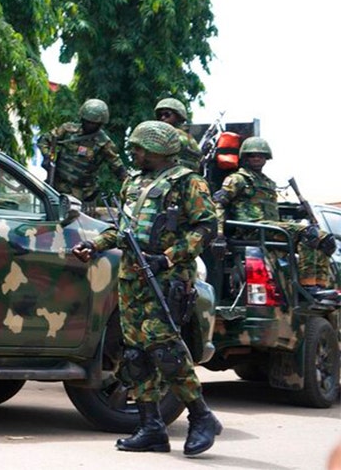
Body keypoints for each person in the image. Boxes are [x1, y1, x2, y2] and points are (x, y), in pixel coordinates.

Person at [71, 120, 222, 457]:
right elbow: (123, 230)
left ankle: (202, 417)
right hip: (131, 279)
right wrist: (94, 245)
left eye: (138, 148)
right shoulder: (134, 184)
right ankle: (151, 427)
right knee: (136, 355)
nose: (134, 153)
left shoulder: (188, 183)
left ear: (157, 149)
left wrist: (168, 259)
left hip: (166, 280)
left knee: (165, 350)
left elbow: (206, 228)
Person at [212, 137, 337, 298]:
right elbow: (218, 204)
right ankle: (307, 287)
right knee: (308, 233)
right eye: (252, 155)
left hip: (270, 227)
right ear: (245, 157)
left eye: (261, 155)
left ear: (266, 158)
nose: (257, 158)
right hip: (251, 229)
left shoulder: (268, 183)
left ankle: (318, 286)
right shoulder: (237, 179)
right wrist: (219, 235)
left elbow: (270, 210)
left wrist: (298, 213)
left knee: (324, 240)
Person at [38, 98, 127, 203]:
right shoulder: (67, 130)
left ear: (100, 123)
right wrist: (47, 156)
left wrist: (128, 184)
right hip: (56, 186)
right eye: (88, 122)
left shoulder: (103, 143)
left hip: (82, 194)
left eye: (94, 123)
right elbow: (44, 140)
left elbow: (117, 165)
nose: (90, 125)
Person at [153, 97, 202, 171]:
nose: (162, 118)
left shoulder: (172, 134)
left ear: (178, 116)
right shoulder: (188, 137)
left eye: (167, 114)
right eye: (160, 115)